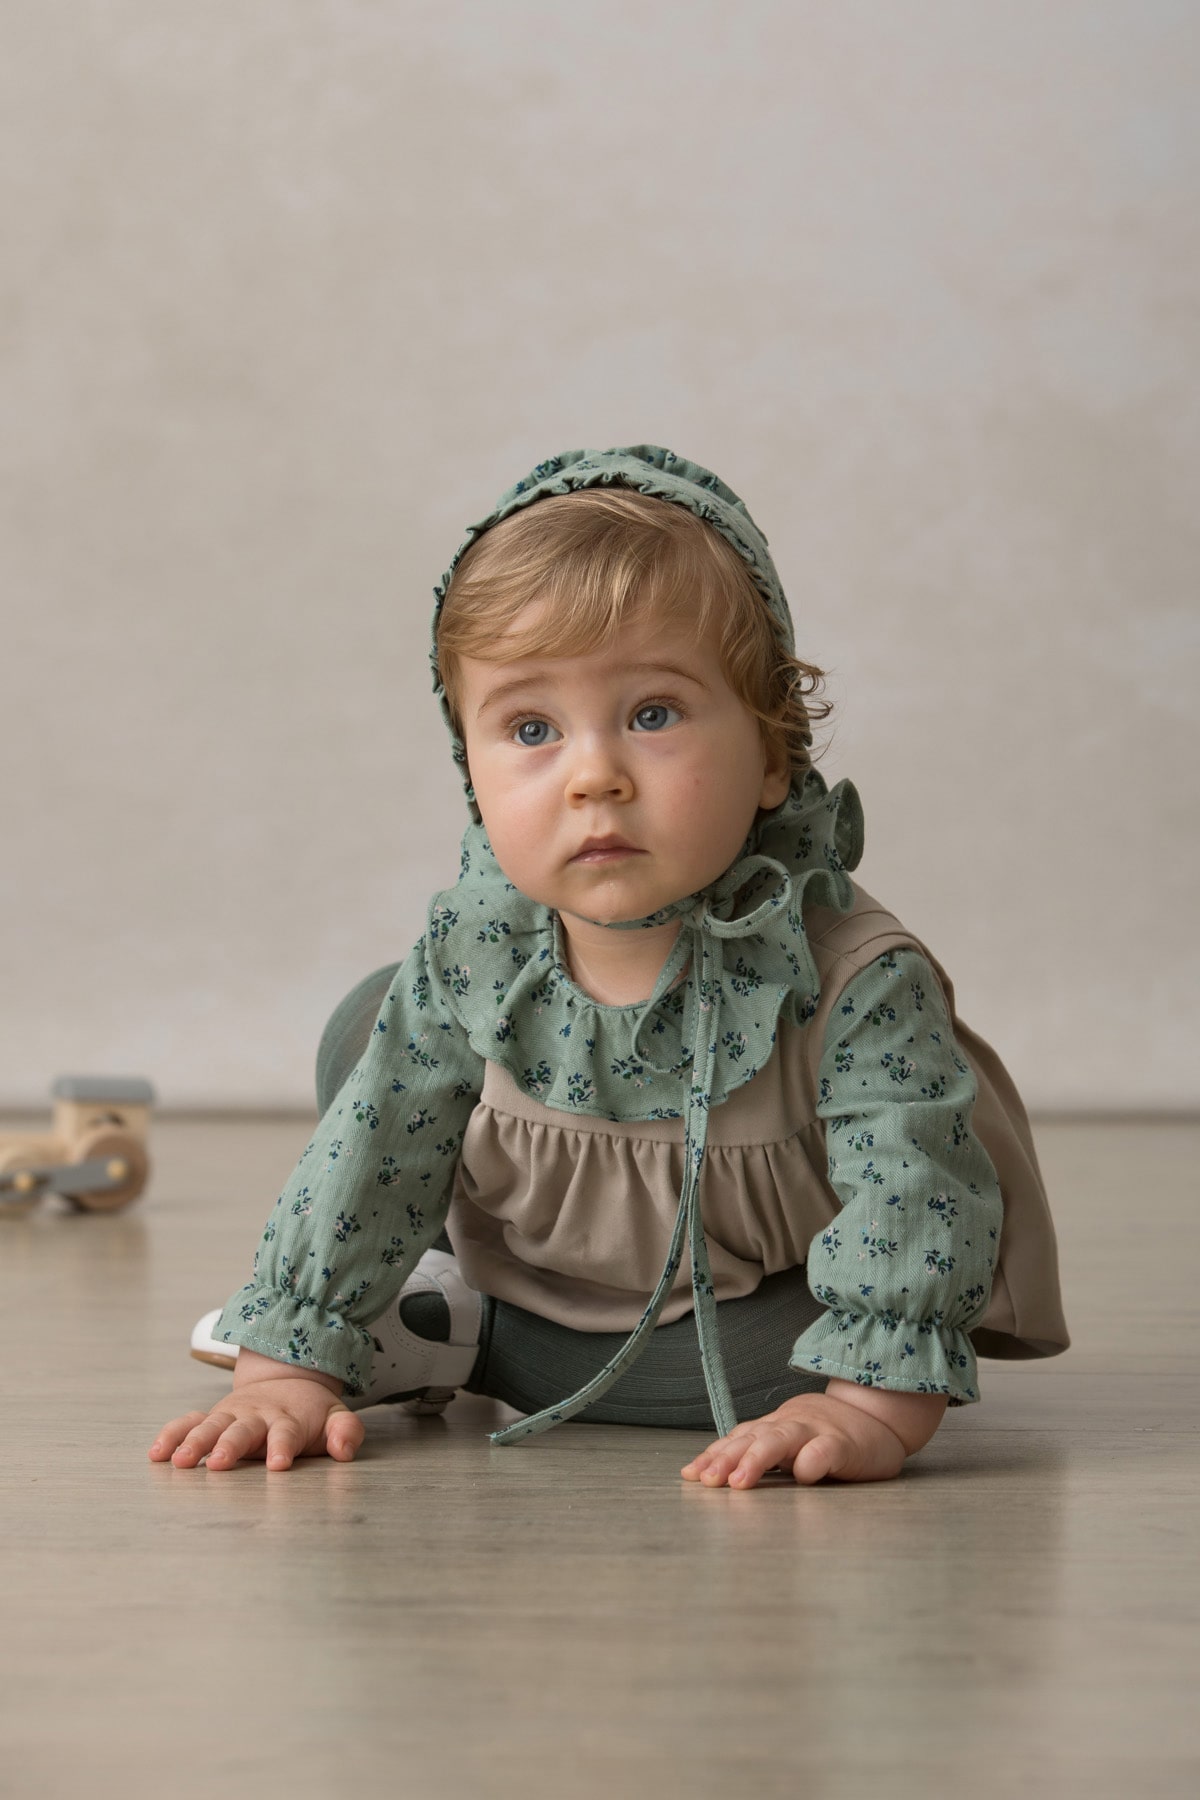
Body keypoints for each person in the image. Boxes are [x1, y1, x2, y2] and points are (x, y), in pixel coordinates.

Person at [149, 445, 1068, 1488]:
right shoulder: (477, 948)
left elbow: (914, 1185)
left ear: (774, 752)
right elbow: (374, 1152)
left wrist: (865, 1409)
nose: (595, 776)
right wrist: (286, 1368)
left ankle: (452, 1333)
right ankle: (423, 1308)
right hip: (537, 1262)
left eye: (653, 715)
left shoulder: (842, 976)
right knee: (371, 1036)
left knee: (787, 1361)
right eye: (532, 729)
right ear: (470, 769)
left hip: (748, 1307)